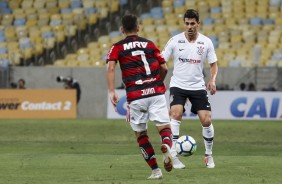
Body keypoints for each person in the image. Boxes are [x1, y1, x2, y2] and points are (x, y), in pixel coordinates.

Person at [106, 14, 173, 179]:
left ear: (122, 29)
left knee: (141, 134)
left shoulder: (117, 47)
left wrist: (112, 91)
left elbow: (110, 68)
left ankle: (156, 171)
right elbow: (164, 67)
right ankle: (166, 144)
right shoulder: (150, 44)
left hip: (136, 96)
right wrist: (157, 84)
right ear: (139, 27)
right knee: (164, 128)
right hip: (156, 92)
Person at [162, 9, 218, 169]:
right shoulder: (174, 40)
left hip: (197, 86)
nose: (189, 26)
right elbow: (161, 60)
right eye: (187, 23)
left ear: (198, 24)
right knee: (176, 114)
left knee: (206, 120)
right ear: (184, 23)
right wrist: (160, 79)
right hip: (178, 85)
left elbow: (213, 63)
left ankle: (208, 156)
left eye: (193, 23)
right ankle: (173, 156)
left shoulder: (206, 42)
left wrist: (212, 80)